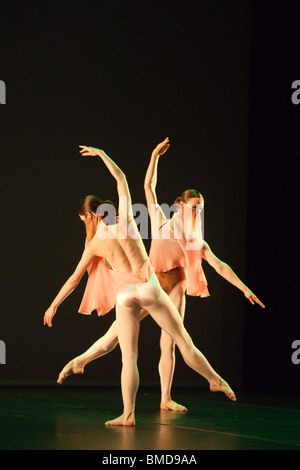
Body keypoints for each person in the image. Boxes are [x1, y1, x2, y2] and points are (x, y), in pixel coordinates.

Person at [56, 138, 265, 413]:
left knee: (170, 344)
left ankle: (165, 397)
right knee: (113, 337)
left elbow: (220, 266)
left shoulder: (196, 242)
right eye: (193, 207)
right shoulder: (159, 221)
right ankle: (80, 361)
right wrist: (155, 156)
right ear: (179, 205)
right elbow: (147, 187)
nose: (197, 212)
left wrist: (244, 288)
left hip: (171, 287)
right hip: (150, 285)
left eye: (200, 209)